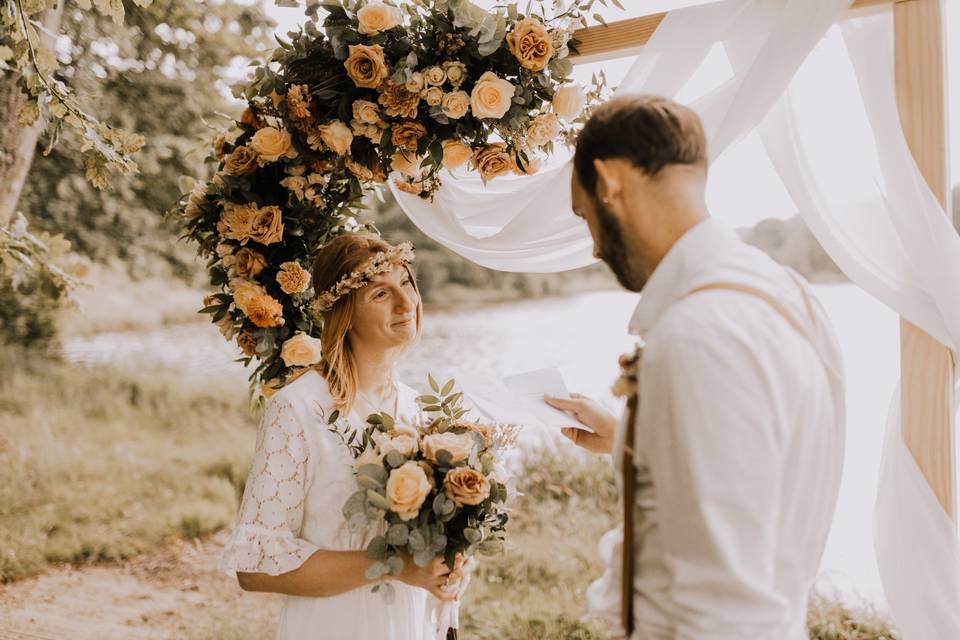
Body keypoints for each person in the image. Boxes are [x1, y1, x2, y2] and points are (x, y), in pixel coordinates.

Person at [545, 94, 846, 639]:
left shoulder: (697, 335)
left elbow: (721, 607)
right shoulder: (788, 294)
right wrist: (631, 439)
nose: (593, 247)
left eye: (583, 215)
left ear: (608, 182)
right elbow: (761, 471)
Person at [220, 234, 468, 639]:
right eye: (381, 295)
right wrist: (398, 566)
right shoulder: (298, 410)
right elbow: (256, 566)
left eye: (406, 283)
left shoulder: (418, 408)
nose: (407, 304)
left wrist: (449, 563)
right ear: (345, 314)